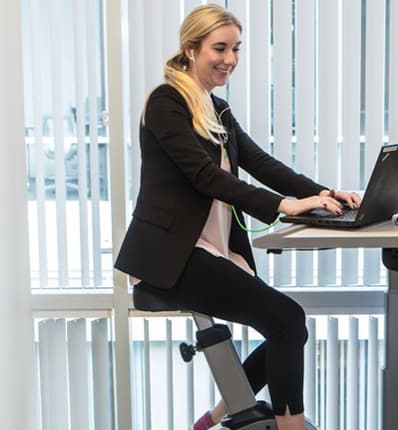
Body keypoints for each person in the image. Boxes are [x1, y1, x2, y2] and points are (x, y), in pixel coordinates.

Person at [114, 5, 361, 430]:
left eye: (236, 49)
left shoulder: (217, 107)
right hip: (173, 256)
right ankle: (290, 426)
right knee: (287, 320)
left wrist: (321, 192)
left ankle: (216, 415)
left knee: (289, 324)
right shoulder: (166, 103)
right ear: (191, 50)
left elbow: (260, 162)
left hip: (207, 247)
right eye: (220, 48)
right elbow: (204, 176)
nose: (230, 58)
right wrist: (284, 206)